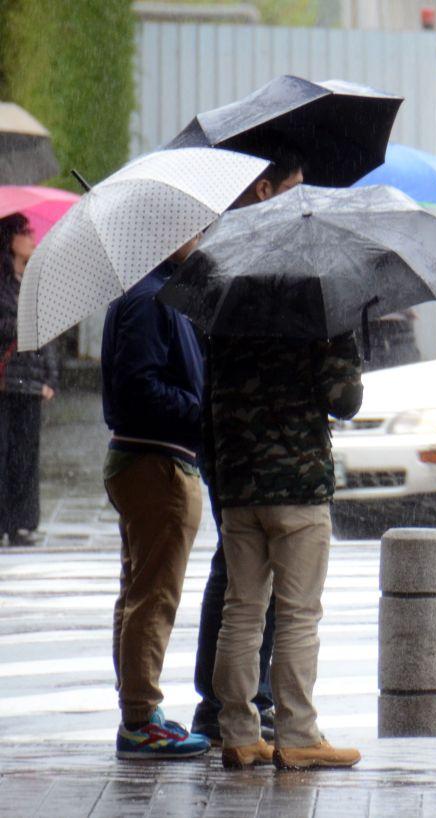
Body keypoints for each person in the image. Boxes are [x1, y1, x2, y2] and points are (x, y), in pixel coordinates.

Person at [207, 321, 363, 766]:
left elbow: (212, 401)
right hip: (298, 485)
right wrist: (345, 343)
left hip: (239, 486)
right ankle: (297, 735)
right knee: (297, 613)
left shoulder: (227, 315)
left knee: (241, 609)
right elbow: (345, 401)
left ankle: (237, 732)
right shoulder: (318, 314)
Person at [190, 148, 305, 746]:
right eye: (295, 184)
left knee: (236, 589)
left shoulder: (217, 265)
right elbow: (338, 392)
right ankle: (265, 715)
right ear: (264, 190)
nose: (302, 196)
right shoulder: (278, 270)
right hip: (275, 459)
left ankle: (225, 713)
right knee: (279, 599)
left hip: (231, 453)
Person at [101, 235, 211, 759]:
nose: (204, 236)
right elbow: (138, 386)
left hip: (148, 458)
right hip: (156, 461)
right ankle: (140, 718)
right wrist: (199, 412)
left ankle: (139, 709)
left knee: (138, 591)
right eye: (198, 228)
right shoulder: (149, 299)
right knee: (153, 596)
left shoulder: (156, 292)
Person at [0, 213, 57, 547]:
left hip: (31, 382)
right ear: (10, 241)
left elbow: (47, 335)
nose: (32, 238)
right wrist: (20, 322)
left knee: (26, 455)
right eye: (25, 233)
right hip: (6, 382)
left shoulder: (35, 283)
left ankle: (22, 522)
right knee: (4, 452)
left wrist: (52, 377)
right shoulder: (4, 287)